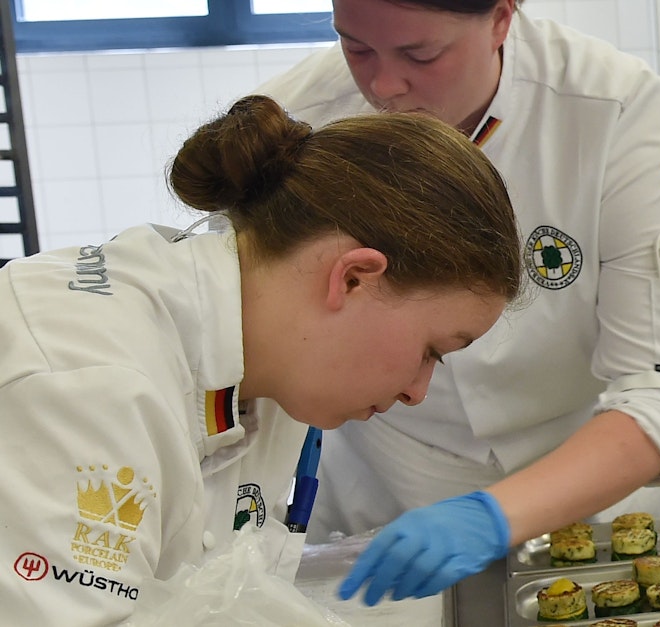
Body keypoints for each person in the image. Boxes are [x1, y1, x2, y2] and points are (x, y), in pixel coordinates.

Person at [254, 0, 660, 604]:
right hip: (392, 492)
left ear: (502, 19)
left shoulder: (612, 110)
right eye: (356, 47)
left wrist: (490, 516)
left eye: (421, 54)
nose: (383, 85)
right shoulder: (298, 124)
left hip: (596, 483)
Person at [0, 95, 521, 625]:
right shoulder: (82, 384)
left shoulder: (265, 351)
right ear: (353, 278)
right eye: (432, 351)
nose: (418, 391)